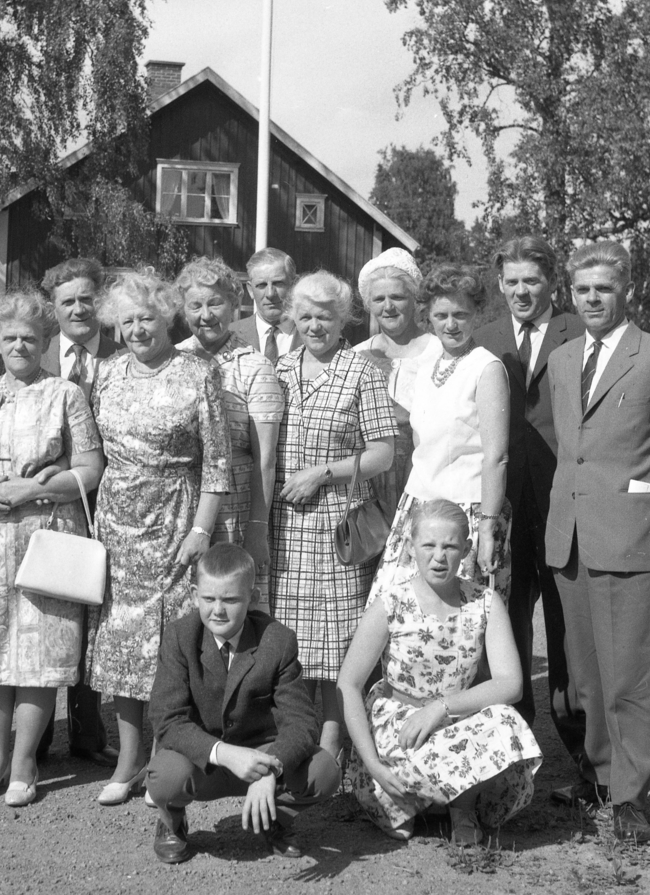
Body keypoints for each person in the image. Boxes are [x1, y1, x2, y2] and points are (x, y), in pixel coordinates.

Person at [547, 241, 650, 844]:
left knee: (628, 677)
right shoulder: (563, 361)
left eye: (604, 288)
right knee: (586, 676)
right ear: (572, 293)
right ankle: (597, 776)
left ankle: (630, 798)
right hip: (571, 539)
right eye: (583, 289)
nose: (592, 298)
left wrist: (645, 504)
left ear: (627, 291)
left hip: (630, 536)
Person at [0, 290, 106, 805]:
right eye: (10, 337)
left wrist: (36, 488)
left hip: (47, 535)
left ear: (46, 342)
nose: (20, 345)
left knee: (38, 653)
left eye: (31, 338)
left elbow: (90, 468)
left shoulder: (66, 395)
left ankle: (24, 765)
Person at [86, 270, 232, 806]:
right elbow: (93, 452)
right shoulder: (105, 373)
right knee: (122, 646)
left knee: (172, 644)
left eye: (146, 318)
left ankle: (165, 759)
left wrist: (201, 528)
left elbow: (217, 462)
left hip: (175, 518)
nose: (137, 330)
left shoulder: (198, 373)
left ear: (167, 316)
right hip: (119, 524)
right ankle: (126, 763)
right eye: (126, 321)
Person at [338, 499, 541, 843]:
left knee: (506, 723)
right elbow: (349, 683)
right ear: (410, 545)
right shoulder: (391, 603)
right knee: (400, 813)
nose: (438, 556)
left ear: (465, 549)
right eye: (428, 545)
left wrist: (441, 707)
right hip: (400, 726)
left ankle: (461, 806)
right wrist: (372, 763)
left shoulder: (484, 602)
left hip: (453, 718)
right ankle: (430, 799)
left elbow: (511, 684)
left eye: (449, 546)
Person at [268, 271, 397, 761]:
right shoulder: (278, 370)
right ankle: (293, 740)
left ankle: (331, 746)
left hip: (336, 529)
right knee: (291, 642)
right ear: (292, 319)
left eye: (325, 316)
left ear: (343, 319)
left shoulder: (361, 371)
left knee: (336, 639)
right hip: (285, 530)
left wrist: (323, 472)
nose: (314, 326)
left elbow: (383, 453)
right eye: (305, 316)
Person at [146, 543, 342, 864]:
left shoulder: (277, 640)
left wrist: (270, 770)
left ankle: (274, 818)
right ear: (195, 594)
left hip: (261, 756)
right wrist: (225, 754)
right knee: (164, 775)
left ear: (252, 597)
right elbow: (167, 720)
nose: (218, 610)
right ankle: (173, 822)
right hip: (204, 760)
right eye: (208, 599)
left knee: (323, 772)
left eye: (231, 599)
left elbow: (301, 723)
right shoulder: (180, 636)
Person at [472, 236, 587, 763]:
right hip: (503, 502)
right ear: (500, 284)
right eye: (512, 281)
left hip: (561, 498)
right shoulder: (482, 337)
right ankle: (515, 745)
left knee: (565, 619)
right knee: (507, 614)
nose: (521, 291)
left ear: (551, 284)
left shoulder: (579, 331)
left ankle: (583, 751)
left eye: (532, 281)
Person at [369, 265, 511, 607]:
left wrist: (489, 530)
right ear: (428, 317)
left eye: (461, 314)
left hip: (469, 514)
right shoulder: (429, 362)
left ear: (476, 314)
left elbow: (497, 456)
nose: (451, 324)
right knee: (396, 611)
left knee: (461, 625)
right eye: (441, 315)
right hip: (418, 506)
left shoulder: (486, 368)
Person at [35, 257, 122, 766]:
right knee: (49, 610)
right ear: (54, 309)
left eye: (86, 298)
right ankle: (39, 733)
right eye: (67, 300)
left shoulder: (122, 354)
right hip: (47, 505)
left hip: (112, 504)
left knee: (95, 615)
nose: (78, 308)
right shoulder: (34, 354)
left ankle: (89, 733)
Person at [175, 256, 283, 611]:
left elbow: (265, 458)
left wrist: (256, 526)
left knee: (231, 609)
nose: (206, 314)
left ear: (235, 305)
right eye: (196, 305)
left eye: (215, 303)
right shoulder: (172, 361)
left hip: (232, 512)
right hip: (179, 508)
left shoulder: (254, 366)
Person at [352, 249, 434, 513]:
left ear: (414, 299)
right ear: (369, 305)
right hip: (368, 483)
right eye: (379, 299)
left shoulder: (437, 351)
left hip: (424, 476)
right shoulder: (356, 355)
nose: (388, 307)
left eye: (397, 297)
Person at [230, 248, 303, 363]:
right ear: (250, 290)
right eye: (262, 285)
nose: (270, 294)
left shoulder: (312, 335)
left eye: (278, 283)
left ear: (294, 285)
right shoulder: (230, 335)